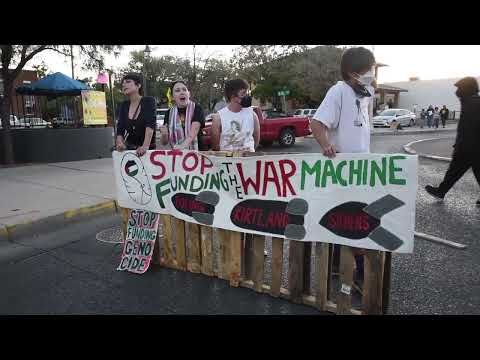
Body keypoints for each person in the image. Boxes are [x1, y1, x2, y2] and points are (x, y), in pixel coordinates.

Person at [310, 46, 376, 292]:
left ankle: (338, 264)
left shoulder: (366, 93)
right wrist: (326, 146)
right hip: (343, 171)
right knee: (354, 217)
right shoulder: (339, 90)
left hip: (362, 170)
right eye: (368, 69)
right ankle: (358, 272)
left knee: (348, 216)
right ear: (352, 71)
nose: (371, 73)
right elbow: (316, 124)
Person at [425, 77, 480, 207]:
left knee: (455, 171)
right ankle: (441, 191)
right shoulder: (470, 102)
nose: (457, 91)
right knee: (454, 171)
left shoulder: (473, 103)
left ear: (466, 89)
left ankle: (440, 191)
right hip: (468, 146)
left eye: (459, 88)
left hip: (470, 147)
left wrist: (462, 143)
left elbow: (471, 127)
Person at [211, 79, 260, 152]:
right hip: (228, 161)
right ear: (233, 96)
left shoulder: (252, 114)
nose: (247, 96)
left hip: (248, 160)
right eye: (243, 93)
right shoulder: (218, 117)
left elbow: (256, 141)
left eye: (247, 93)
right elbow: (215, 146)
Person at [116, 73, 156, 156]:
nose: (124, 85)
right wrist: (120, 143)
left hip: (148, 152)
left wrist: (145, 146)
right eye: (123, 83)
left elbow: (150, 125)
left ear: (138, 85)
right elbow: (120, 129)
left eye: (128, 82)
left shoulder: (149, 101)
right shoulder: (124, 105)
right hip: (130, 151)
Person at [160, 80, 205, 150]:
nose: (182, 92)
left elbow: (193, 133)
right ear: (172, 97)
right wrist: (164, 134)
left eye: (184, 90)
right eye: (177, 90)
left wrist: (182, 147)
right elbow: (164, 143)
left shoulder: (197, 108)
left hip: (198, 154)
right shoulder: (169, 113)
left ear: (189, 94)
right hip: (177, 156)